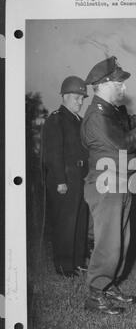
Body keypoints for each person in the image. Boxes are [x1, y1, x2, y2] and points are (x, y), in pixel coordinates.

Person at [81, 56, 136, 315]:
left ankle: (109, 285)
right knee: (109, 242)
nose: (124, 88)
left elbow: (127, 125)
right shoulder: (96, 116)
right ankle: (96, 295)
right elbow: (124, 143)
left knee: (122, 240)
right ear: (106, 83)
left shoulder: (110, 111)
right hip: (106, 185)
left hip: (119, 183)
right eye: (120, 83)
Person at [42, 76, 89, 277]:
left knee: (80, 221)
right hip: (65, 179)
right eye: (77, 98)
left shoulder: (79, 121)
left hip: (80, 177)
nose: (81, 102)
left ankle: (78, 261)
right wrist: (61, 180)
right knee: (65, 223)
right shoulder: (56, 119)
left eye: (82, 98)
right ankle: (63, 266)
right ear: (66, 97)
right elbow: (53, 153)